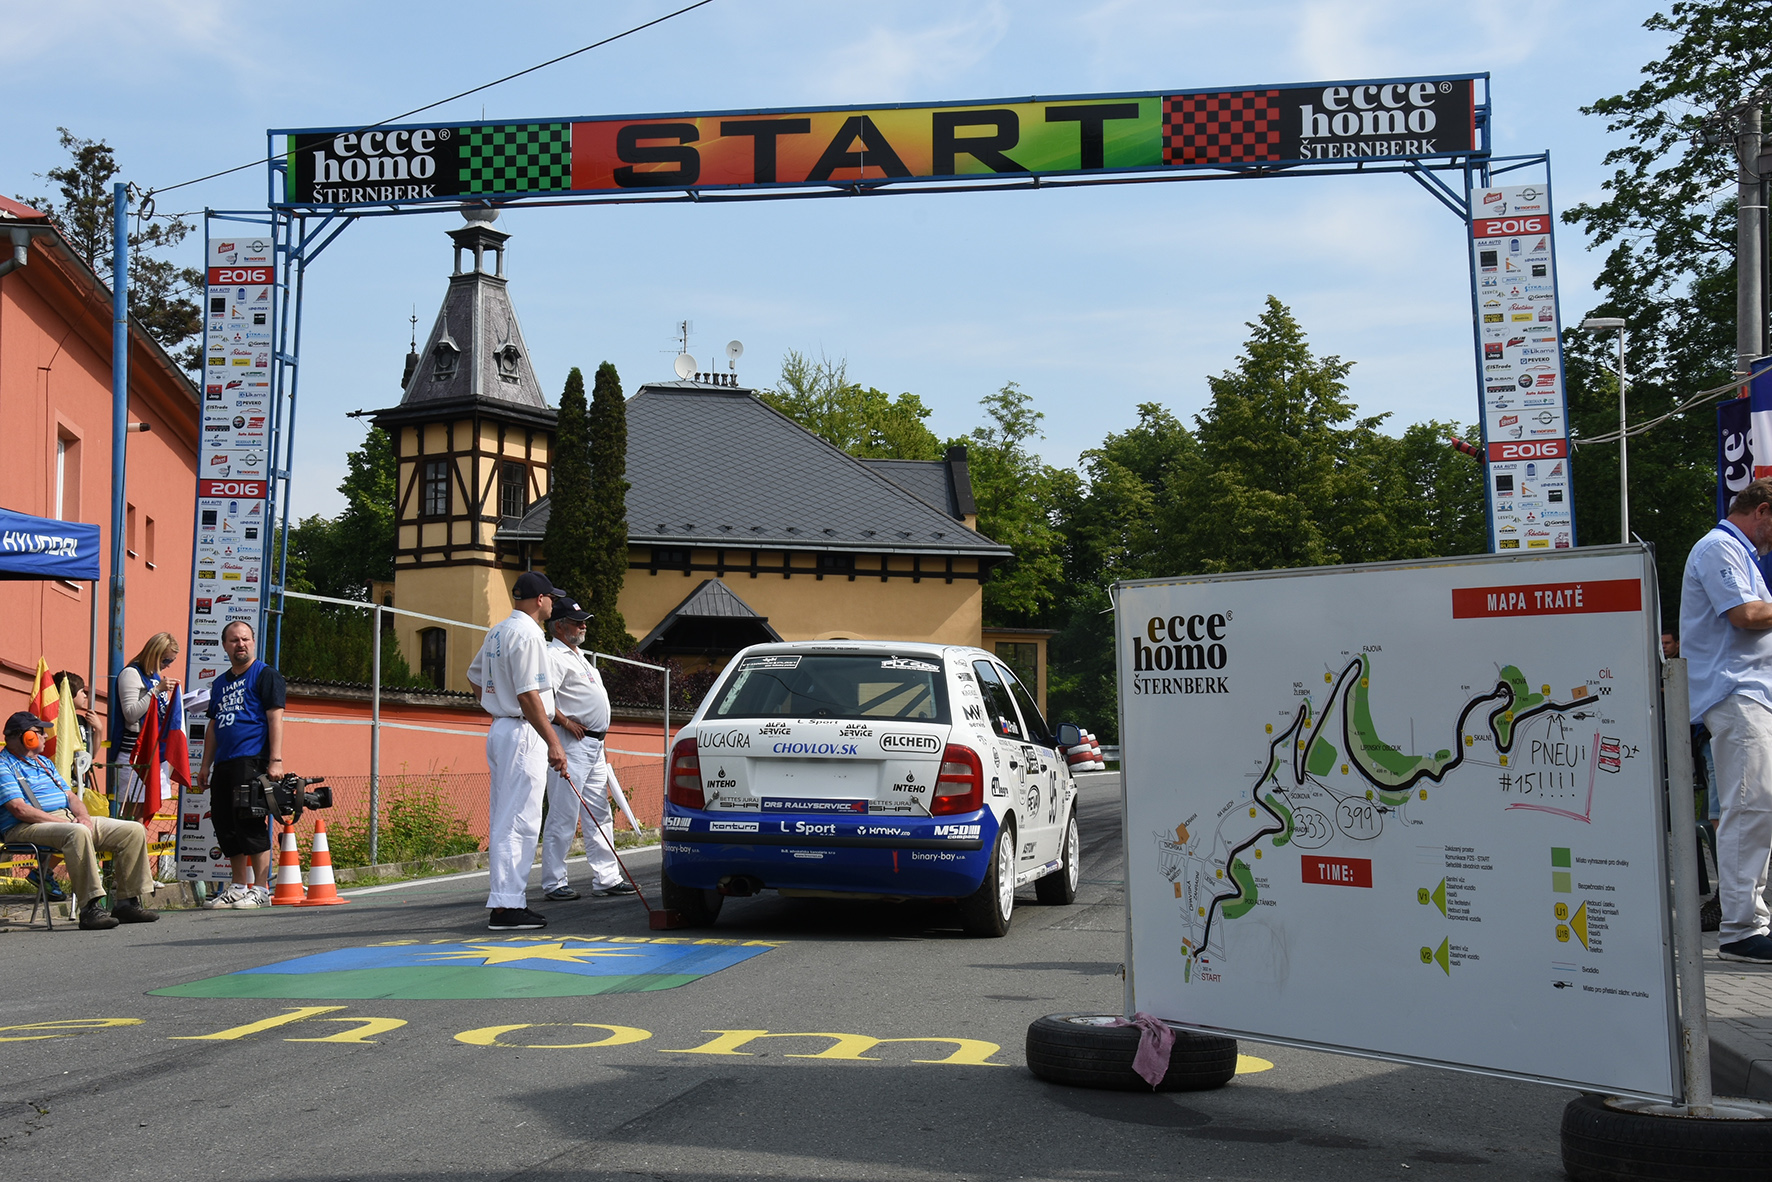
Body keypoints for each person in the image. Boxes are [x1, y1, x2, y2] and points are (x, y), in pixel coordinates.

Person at [1680, 477, 1772, 962]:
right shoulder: (1718, 548)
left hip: (1746, 694)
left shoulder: (1735, 553)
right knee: (1748, 807)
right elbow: (1744, 615)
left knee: (1756, 807)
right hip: (1735, 694)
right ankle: (1741, 929)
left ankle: (1749, 920)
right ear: (1760, 511)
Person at [466, 570, 567, 931]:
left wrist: (496, 705)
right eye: (551, 597)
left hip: (502, 727)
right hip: (523, 731)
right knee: (520, 820)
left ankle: (507, 900)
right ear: (540, 600)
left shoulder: (498, 630)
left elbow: (475, 678)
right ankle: (507, 905)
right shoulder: (528, 635)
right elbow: (529, 696)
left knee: (507, 815)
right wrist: (554, 742)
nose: (554, 603)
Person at [0, 712, 158, 929]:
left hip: (65, 820)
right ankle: (90, 908)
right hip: (25, 826)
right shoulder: (4, 765)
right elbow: (20, 809)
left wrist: (83, 817)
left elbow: (71, 797)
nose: (46, 736)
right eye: (39, 732)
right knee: (78, 832)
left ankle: (126, 903)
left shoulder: (44, 762)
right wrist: (69, 824)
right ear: (23, 736)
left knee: (132, 830)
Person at [539, 595, 634, 901]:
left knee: (599, 811)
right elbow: (543, 700)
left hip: (594, 744)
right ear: (559, 626)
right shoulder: (552, 656)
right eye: (577, 623)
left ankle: (606, 877)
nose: (582, 627)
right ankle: (554, 881)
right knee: (564, 813)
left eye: (583, 623)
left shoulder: (579, 656)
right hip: (573, 743)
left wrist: (601, 741)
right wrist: (565, 723)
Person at [194, 620, 286, 910]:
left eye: (245, 639)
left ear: (253, 642)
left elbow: (275, 718)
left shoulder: (266, 675)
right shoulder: (220, 683)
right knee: (225, 823)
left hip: (252, 759)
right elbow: (213, 726)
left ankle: (260, 888)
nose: (240, 644)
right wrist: (205, 765)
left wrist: (275, 760)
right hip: (224, 762)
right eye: (234, 640)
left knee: (249, 821)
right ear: (225, 646)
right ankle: (237, 885)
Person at [111, 633, 181, 822]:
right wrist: (156, 691)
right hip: (134, 751)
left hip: (153, 751)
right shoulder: (131, 674)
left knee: (144, 813)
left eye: (171, 661)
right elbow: (131, 713)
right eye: (166, 660)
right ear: (155, 654)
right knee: (131, 816)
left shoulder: (155, 676)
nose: (168, 665)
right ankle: (127, 851)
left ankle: (136, 851)